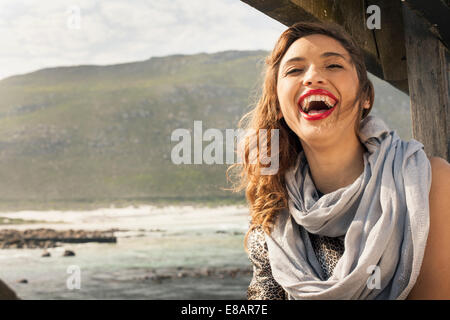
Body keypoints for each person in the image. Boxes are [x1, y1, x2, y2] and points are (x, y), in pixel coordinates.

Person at [229, 21, 450, 300]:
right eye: (295, 70)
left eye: (333, 65)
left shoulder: (428, 183)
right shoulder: (275, 207)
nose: (312, 77)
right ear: (279, 104)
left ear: (365, 96)